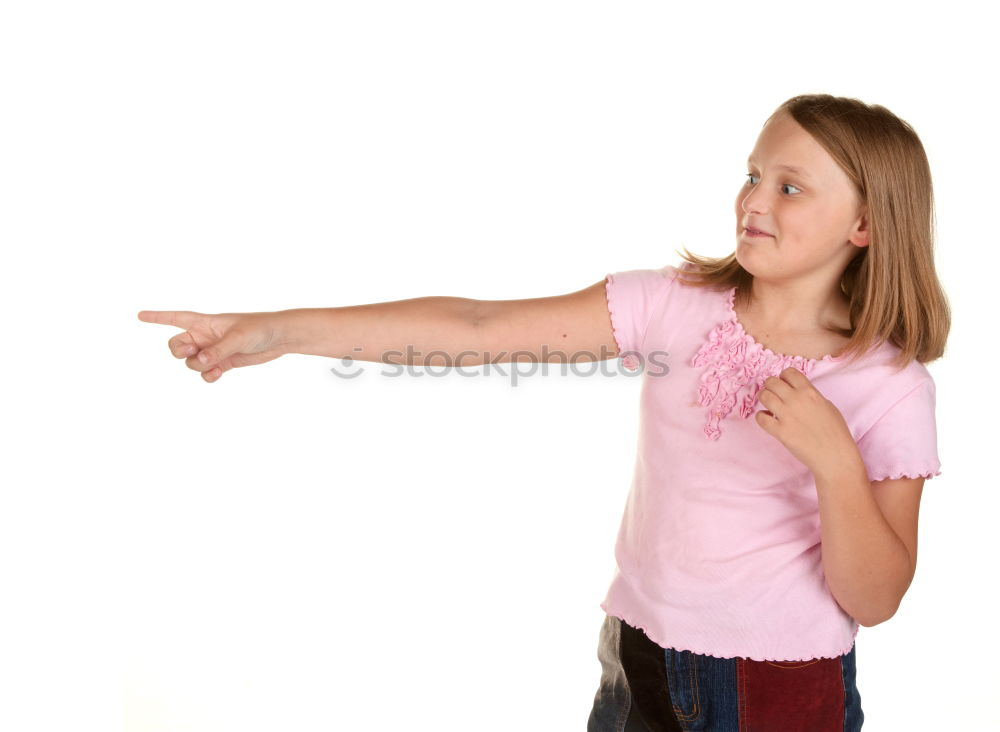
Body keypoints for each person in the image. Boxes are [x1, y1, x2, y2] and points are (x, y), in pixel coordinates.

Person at [137, 93, 948, 731]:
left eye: (790, 186)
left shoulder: (891, 386)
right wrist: (279, 331)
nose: (752, 200)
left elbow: (874, 598)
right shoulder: (675, 307)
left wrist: (835, 461)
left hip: (779, 685)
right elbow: (479, 328)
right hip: (641, 653)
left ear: (868, 223)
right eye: (752, 173)